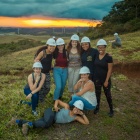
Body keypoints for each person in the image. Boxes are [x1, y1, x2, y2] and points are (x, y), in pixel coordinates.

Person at [7, 100, 89, 136]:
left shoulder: (75, 118)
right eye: (76, 107)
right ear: (74, 106)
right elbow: (57, 100)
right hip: (51, 112)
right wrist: (56, 106)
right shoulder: (67, 107)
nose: (76, 109)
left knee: (42, 123)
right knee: (46, 124)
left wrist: (82, 114)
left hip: (51, 119)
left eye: (79, 109)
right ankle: (27, 124)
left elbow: (86, 123)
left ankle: (17, 121)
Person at [94, 39, 114, 117]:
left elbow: (110, 70)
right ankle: (97, 107)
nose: (100, 49)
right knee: (97, 94)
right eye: (99, 47)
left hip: (105, 79)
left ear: (105, 47)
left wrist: (106, 81)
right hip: (97, 79)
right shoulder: (96, 55)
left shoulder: (108, 57)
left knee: (108, 94)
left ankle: (111, 109)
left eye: (102, 47)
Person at [34, 38, 56, 102]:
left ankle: (42, 97)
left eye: (53, 46)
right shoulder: (43, 52)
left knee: (48, 88)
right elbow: (36, 60)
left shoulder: (52, 53)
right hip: (41, 73)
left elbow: (50, 62)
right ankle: (40, 100)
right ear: (47, 46)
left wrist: (52, 67)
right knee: (41, 87)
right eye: (50, 46)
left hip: (47, 72)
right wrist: (38, 65)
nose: (52, 47)